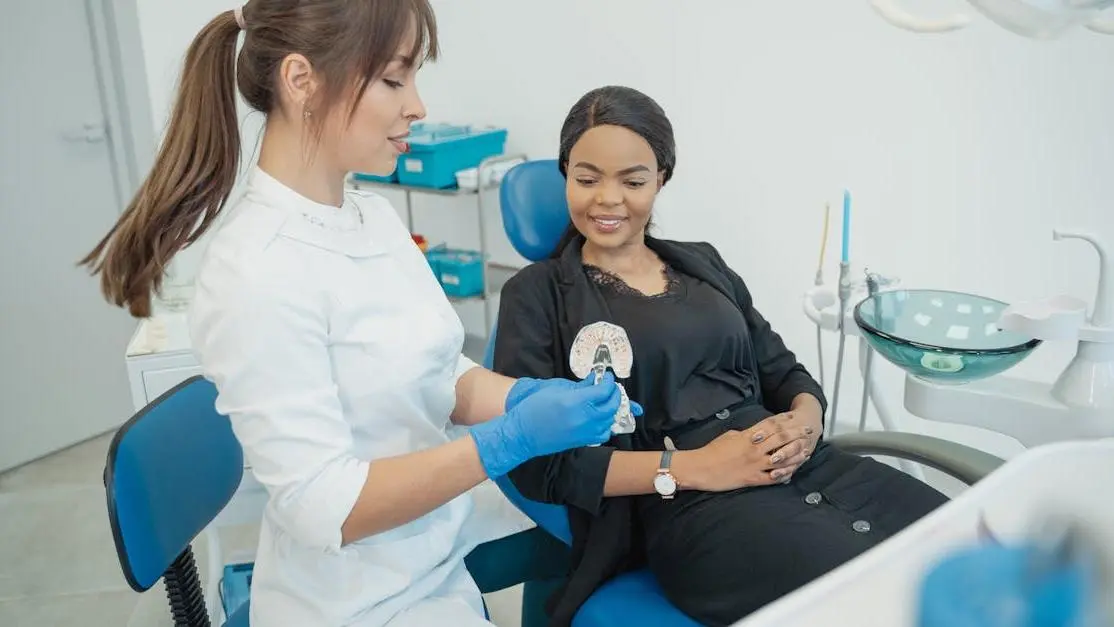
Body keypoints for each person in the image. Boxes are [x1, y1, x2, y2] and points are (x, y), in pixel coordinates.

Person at [79, 3, 642, 626]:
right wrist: (509, 439)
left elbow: (435, 371)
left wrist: (524, 399)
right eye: (394, 80)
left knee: (602, 520)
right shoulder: (257, 271)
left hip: (429, 541)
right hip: (357, 595)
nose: (418, 107)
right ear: (301, 81)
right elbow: (325, 508)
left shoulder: (369, 215)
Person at [492, 85, 951, 627]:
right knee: (876, 600)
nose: (607, 199)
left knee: (969, 546)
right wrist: (695, 467)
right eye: (587, 179)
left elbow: (783, 370)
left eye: (632, 181)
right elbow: (537, 465)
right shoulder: (538, 295)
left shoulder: (703, 264)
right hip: (697, 507)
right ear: (566, 173)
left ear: (662, 178)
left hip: (810, 465)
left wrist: (805, 423)